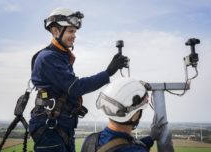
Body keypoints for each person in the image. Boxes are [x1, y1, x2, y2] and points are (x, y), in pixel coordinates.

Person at [29, 8, 129, 152]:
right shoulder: (48, 57)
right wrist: (108, 72)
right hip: (50, 128)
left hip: (61, 125)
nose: (74, 36)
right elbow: (75, 87)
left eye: (74, 32)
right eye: (70, 31)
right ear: (56, 31)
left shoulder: (60, 56)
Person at [81, 78, 169, 152]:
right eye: (140, 110)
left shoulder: (89, 141)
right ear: (134, 116)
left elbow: (121, 145)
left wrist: (150, 138)